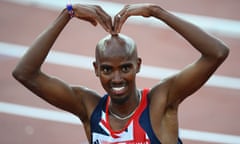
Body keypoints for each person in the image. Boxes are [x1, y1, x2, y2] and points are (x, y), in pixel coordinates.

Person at [12, 3, 229, 144]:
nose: (117, 79)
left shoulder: (160, 103)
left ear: (138, 65)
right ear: (96, 69)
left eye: (125, 68)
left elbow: (217, 53)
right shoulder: (89, 109)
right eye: (107, 69)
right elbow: (24, 73)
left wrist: (157, 13)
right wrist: (67, 13)